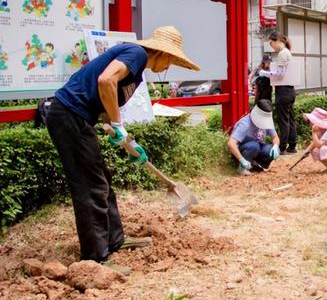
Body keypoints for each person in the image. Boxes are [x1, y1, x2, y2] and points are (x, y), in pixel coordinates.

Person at [45, 26, 200, 275]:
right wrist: (117, 124)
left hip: (80, 118)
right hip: (68, 116)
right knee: (90, 186)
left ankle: (115, 240)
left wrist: (128, 142)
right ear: (160, 52)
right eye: (171, 59)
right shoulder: (136, 53)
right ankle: (95, 259)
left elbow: (107, 108)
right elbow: (105, 80)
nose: (169, 66)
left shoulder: (136, 72)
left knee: (102, 179)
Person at [260, 31, 297, 154]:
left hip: (283, 91)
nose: (271, 46)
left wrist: (265, 73)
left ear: (277, 40)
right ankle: (292, 146)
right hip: (290, 91)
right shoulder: (287, 52)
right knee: (290, 118)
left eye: (271, 43)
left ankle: (282, 148)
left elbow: (280, 74)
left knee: (283, 120)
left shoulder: (282, 54)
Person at [227, 99, 281, 176]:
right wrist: (242, 160)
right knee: (253, 146)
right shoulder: (245, 124)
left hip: (257, 147)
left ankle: (255, 165)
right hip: (243, 150)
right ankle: (242, 167)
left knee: (270, 149)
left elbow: (275, 137)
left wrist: (275, 146)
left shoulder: (267, 121)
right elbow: (231, 143)